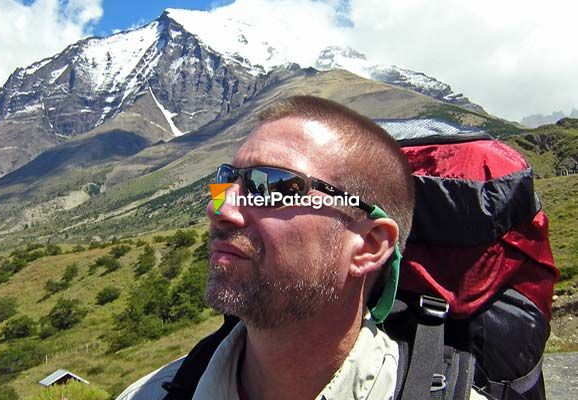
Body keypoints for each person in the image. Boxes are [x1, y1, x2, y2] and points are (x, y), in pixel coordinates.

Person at [116, 96, 485, 399]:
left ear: (369, 245)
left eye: (272, 185)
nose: (220, 210)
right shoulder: (149, 394)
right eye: (224, 181)